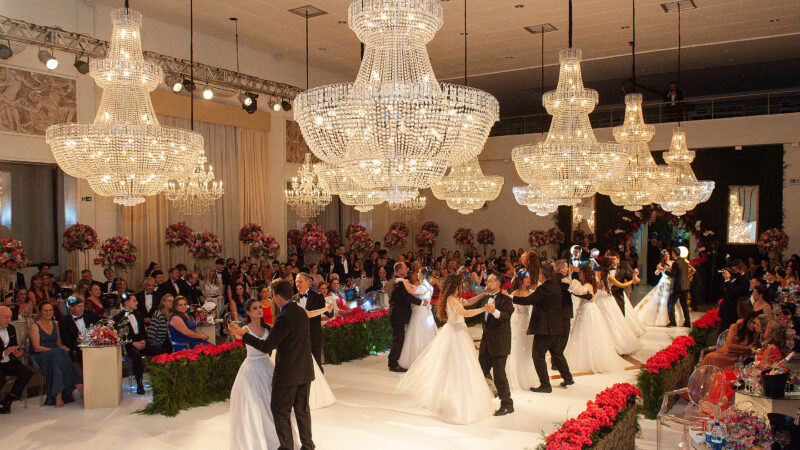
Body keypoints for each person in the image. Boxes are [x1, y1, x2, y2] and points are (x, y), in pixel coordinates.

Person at [229, 279, 316, 450]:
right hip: (304, 371)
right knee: (302, 411)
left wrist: (242, 335)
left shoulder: (284, 316)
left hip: (289, 374)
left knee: (280, 411)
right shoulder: (299, 312)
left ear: (276, 296)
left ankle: (287, 447)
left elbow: (268, 346)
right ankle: (308, 446)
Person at [396, 274, 494, 424]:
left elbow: (467, 302)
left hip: (457, 332)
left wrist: (483, 296)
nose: (462, 287)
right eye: (460, 284)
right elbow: (465, 313)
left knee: (459, 367)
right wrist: (484, 309)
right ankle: (457, 401)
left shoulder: (453, 298)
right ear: (456, 285)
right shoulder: (451, 300)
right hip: (456, 335)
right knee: (457, 367)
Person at [228, 298, 285, 450]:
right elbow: (239, 338)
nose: (259, 310)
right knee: (253, 407)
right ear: (247, 312)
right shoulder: (245, 330)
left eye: (260, 307)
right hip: (251, 370)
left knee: (270, 404)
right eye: (255, 308)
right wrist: (235, 332)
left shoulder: (269, 328)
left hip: (267, 367)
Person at [513, 264, 573, 393]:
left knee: (538, 355)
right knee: (556, 352)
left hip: (545, 328)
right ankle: (568, 377)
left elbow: (529, 300)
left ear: (542, 275)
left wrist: (512, 298)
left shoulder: (544, 288)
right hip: (556, 327)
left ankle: (545, 384)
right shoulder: (555, 287)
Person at [563, 265, 629, 373]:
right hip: (584, 309)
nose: (579, 275)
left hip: (588, 310)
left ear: (585, 274)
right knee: (582, 333)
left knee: (588, 333)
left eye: (581, 273)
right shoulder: (588, 284)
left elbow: (579, 292)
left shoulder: (588, 285)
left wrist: (571, 283)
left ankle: (590, 359)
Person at [469, 271, 514, 416]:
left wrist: (494, 311)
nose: (487, 283)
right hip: (486, 343)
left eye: (490, 281)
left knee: (499, 374)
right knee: (480, 371)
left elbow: (506, 316)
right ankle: (485, 396)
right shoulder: (485, 299)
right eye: (487, 281)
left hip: (500, 343)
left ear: (498, 284)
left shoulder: (505, 300)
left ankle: (507, 404)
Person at [29, 302, 82, 406]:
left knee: (59, 356)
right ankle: (76, 383)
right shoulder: (34, 326)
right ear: (40, 312)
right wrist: (57, 350)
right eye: (45, 310)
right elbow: (36, 347)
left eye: (50, 310)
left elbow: (58, 343)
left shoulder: (55, 324)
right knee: (59, 354)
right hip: (39, 356)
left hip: (54, 355)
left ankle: (58, 395)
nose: (48, 312)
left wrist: (62, 348)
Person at [593, 259, 643, 356]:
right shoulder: (608, 277)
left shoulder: (595, 274)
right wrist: (632, 281)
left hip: (597, 299)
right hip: (607, 300)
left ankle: (600, 345)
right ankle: (615, 344)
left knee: (598, 321)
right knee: (612, 321)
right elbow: (621, 285)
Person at [387, 262, 424, 372]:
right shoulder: (399, 282)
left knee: (398, 338)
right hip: (397, 315)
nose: (407, 270)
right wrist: (422, 303)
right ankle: (393, 364)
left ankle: (394, 361)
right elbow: (407, 298)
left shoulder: (396, 280)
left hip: (396, 314)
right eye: (405, 268)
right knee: (398, 339)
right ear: (400, 271)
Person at [397, 268, 436, 370]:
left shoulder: (423, 287)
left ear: (423, 275)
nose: (418, 275)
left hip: (420, 314)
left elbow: (411, 291)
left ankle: (416, 360)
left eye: (419, 273)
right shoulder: (429, 286)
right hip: (426, 313)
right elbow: (415, 288)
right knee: (426, 334)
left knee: (417, 334)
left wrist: (404, 281)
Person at [634, 250, 685, 327]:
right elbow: (656, 273)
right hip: (663, 283)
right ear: (663, 256)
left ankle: (673, 319)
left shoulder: (673, 262)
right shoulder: (661, 264)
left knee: (672, 301)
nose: (667, 256)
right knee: (662, 301)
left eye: (668, 254)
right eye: (665, 255)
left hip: (671, 283)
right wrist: (658, 269)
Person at [506, 269, 536, 391]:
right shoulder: (515, 293)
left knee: (528, 348)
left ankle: (528, 375)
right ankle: (517, 376)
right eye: (526, 278)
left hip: (528, 321)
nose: (529, 280)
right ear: (520, 279)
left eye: (529, 277)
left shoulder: (532, 293)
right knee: (517, 347)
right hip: (518, 322)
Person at [294, 273, 331, 370]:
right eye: (296, 281)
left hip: (313, 337)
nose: (298, 284)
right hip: (298, 339)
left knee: (316, 367)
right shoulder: (294, 298)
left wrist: (329, 309)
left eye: (300, 281)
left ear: (308, 282)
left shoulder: (317, 297)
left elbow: (328, 313)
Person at [112, 294, 147, 394]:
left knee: (158, 350)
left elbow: (144, 332)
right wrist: (133, 343)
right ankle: (139, 384)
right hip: (128, 345)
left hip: (141, 342)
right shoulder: (118, 318)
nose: (137, 303)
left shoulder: (139, 315)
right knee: (136, 355)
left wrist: (143, 341)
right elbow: (121, 336)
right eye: (134, 301)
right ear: (126, 303)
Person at [0, 305, 32, 414]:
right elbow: (6, 350)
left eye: (9, 317)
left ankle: (8, 400)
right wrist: (4, 352)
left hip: (8, 361)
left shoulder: (11, 328)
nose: (8, 320)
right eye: (5, 317)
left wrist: (16, 353)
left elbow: (13, 346)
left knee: (26, 372)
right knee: (1, 379)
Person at [58, 296, 101, 362]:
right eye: (79, 306)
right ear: (71, 308)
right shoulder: (64, 321)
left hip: (94, 344)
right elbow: (66, 341)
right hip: (79, 349)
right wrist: (77, 341)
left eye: (83, 306)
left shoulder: (89, 313)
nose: (82, 309)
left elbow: (102, 320)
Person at [719, 260, 750, 332]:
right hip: (727, 310)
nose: (733, 272)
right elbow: (725, 290)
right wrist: (726, 280)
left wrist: (728, 281)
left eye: (734, 270)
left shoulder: (744, 280)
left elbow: (734, 293)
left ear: (741, 269)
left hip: (733, 311)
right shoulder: (734, 277)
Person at [667, 247, 692, 328]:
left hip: (678, 287)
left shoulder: (676, 263)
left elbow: (672, 274)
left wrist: (665, 271)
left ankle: (673, 322)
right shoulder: (685, 261)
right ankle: (687, 322)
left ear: (674, 253)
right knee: (684, 305)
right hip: (685, 286)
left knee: (670, 303)